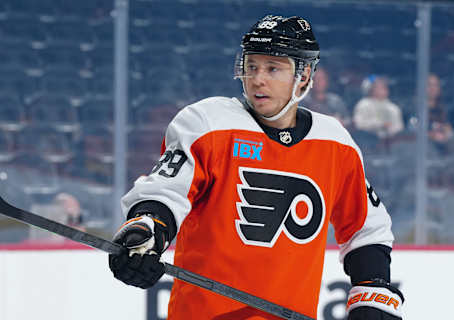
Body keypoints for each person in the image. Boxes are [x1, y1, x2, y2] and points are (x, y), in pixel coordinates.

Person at [108, 15, 404, 320]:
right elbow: (165, 190)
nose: (258, 79)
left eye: (272, 68)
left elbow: (367, 227)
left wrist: (373, 290)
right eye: (252, 67)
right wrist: (147, 230)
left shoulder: (335, 143)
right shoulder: (208, 123)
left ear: (303, 76)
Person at [426, 73, 453, 154]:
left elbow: (450, 130)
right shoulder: (413, 109)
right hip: (422, 151)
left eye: (435, 85)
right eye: (429, 85)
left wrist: (446, 132)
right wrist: (432, 135)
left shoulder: (445, 110)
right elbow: (412, 132)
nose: (432, 88)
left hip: (443, 152)